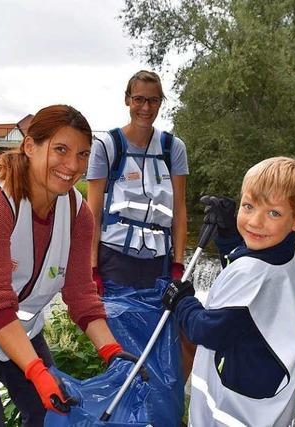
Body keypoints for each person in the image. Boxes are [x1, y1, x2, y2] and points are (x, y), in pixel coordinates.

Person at [0, 104, 139, 427]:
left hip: (19, 324)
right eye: (61, 150)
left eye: (82, 154)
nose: (72, 165)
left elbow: (81, 294)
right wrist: (37, 372)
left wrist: (113, 352)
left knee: (50, 413)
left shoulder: (79, 215)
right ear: (29, 147)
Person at [162, 156, 295, 426]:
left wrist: (182, 300)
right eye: (248, 206)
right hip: (265, 385)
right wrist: (229, 235)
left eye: (273, 213)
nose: (255, 222)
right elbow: (243, 270)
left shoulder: (256, 273)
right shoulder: (282, 252)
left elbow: (205, 330)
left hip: (238, 410)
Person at [86, 70, 190, 425]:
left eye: (153, 100)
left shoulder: (173, 148)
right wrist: (92, 269)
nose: (145, 107)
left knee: (165, 352)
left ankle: (159, 417)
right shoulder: (107, 147)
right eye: (139, 99)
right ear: (127, 100)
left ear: (161, 102)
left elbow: (179, 210)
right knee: (124, 354)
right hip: (115, 261)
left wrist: (178, 264)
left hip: (159, 265)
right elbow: (92, 212)